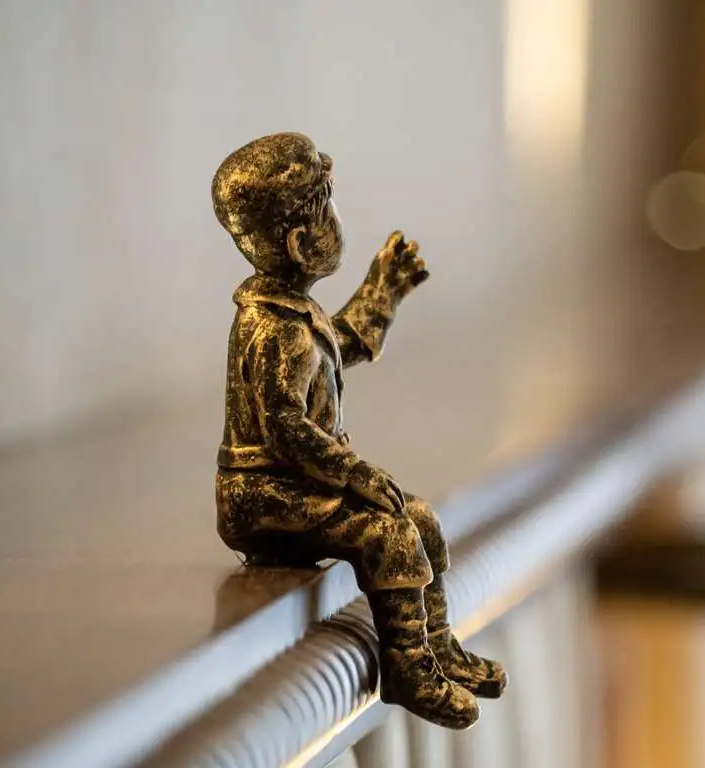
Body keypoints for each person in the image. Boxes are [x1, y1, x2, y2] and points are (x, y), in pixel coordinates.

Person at [211, 132, 505, 729]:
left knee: (417, 517)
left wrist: (381, 294)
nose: (339, 221)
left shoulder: (293, 313)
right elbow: (287, 430)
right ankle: (407, 667)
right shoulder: (271, 328)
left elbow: (338, 346)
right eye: (330, 207)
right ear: (301, 243)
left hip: (293, 484)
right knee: (387, 533)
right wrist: (355, 473)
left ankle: (437, 643)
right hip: (263, 498)